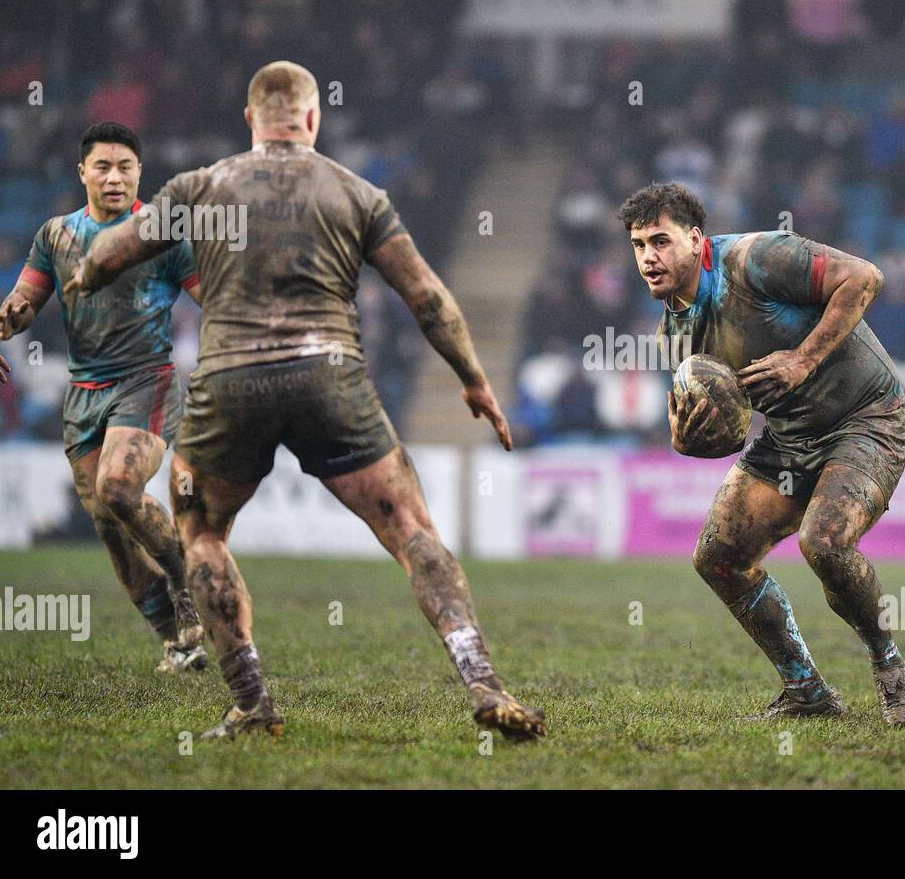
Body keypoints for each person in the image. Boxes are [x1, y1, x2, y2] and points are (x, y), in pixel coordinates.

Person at [65, 61, 545, 742]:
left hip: (230, 382)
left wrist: (85, 270)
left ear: (251, 121)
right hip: (330, 375)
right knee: (413, 532)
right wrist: (474, 378)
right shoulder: (356, 193)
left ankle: (254, 704)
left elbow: (112, 252)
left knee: (201, 536)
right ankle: (483, 681)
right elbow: (427, 297)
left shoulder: (203, 186)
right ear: (313, 120)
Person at [621, 181, 905, 725]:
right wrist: (690, 437)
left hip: (866, 418)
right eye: (639, 245)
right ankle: (807, 693)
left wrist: (803, 359)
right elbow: (731, 428)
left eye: (661, 241)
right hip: (789, 439)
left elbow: (865, 278)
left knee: (825, 544)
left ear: (695, 239)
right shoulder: (674, 334)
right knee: (718, 559)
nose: (649, 258)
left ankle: (890, 669)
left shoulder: (753, 259)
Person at [0, 122, 206, 673]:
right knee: (112, 532)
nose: (114, 176)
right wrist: (6, 321)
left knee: (118, 485)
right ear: (82, 172)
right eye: (102, 166)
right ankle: (179, 643)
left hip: (147, 382)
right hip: (83, 395)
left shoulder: (162, 235)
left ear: (140, 173)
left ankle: (192, 586)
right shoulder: (56, 235)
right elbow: (26, 298)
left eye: (125, 167)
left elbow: (216, 299)